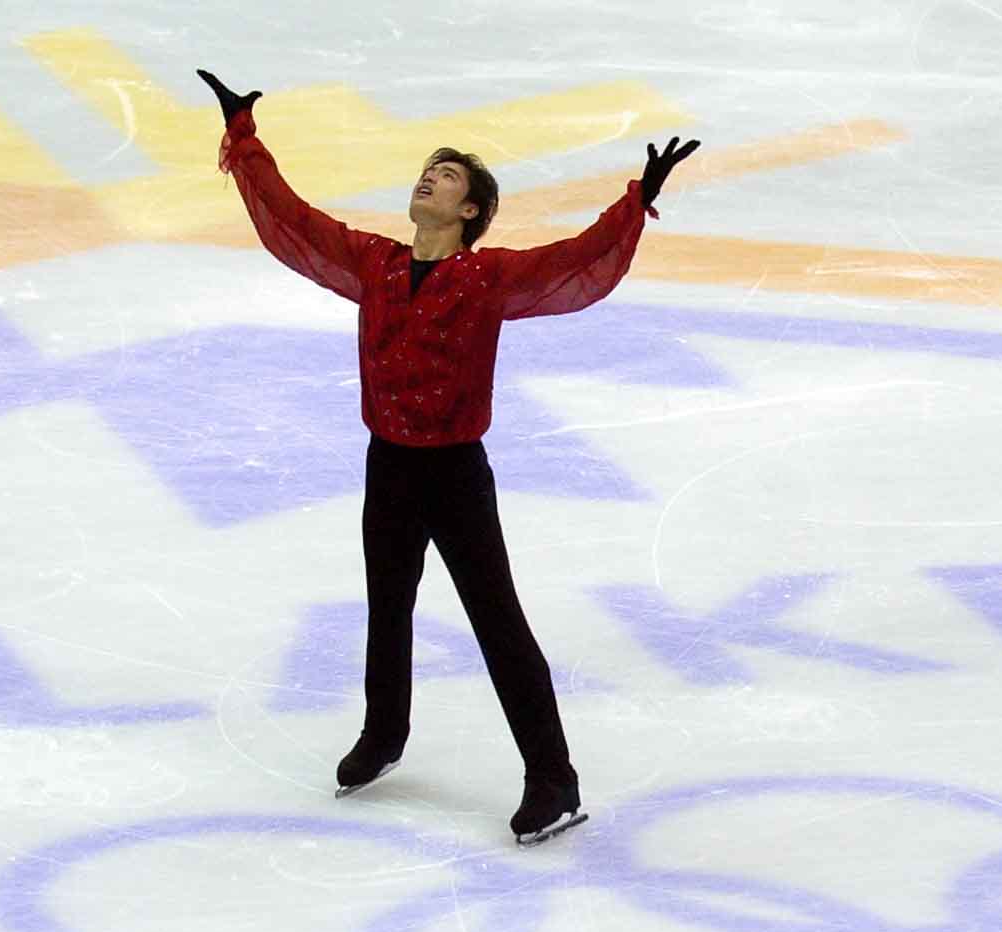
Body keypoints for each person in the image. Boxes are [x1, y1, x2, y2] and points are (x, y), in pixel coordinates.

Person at [198, 68, 697, 843]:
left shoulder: (488, 276)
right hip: (388, 464)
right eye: (429, 169)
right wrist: (244, 137)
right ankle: (384, 733)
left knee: (498, 622)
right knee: (387, 606)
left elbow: (576, 262)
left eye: (449, 175)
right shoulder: (377, 263)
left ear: (471, 211)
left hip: (455, 474)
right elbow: (292, 223)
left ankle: (554, 780)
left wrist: (635, 198)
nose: (429, 178)